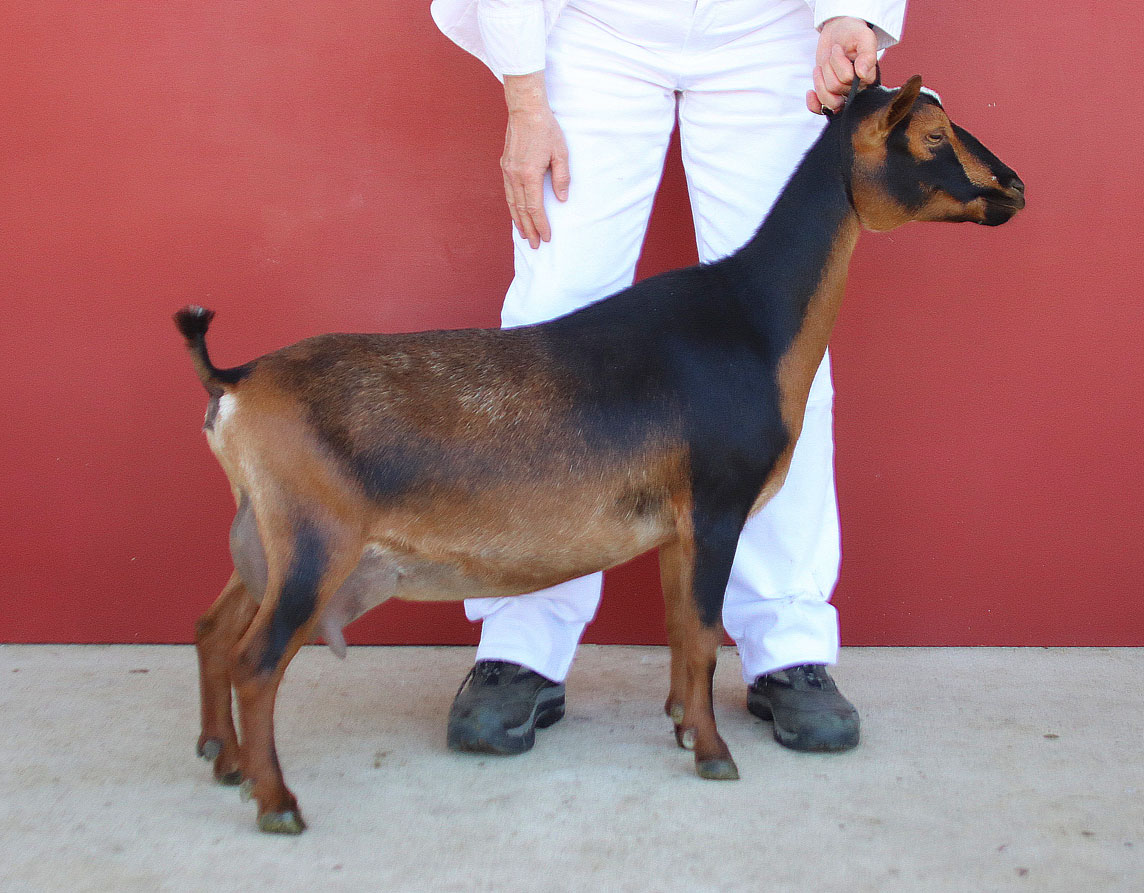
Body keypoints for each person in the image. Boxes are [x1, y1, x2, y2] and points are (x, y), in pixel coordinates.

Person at [430, 0, 907, 756]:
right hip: (599, 23)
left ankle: (789, 640)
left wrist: (852, 15)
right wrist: (526, 99)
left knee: (785, 336)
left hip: (769, 27)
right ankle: (521, 636)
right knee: (551, 312)